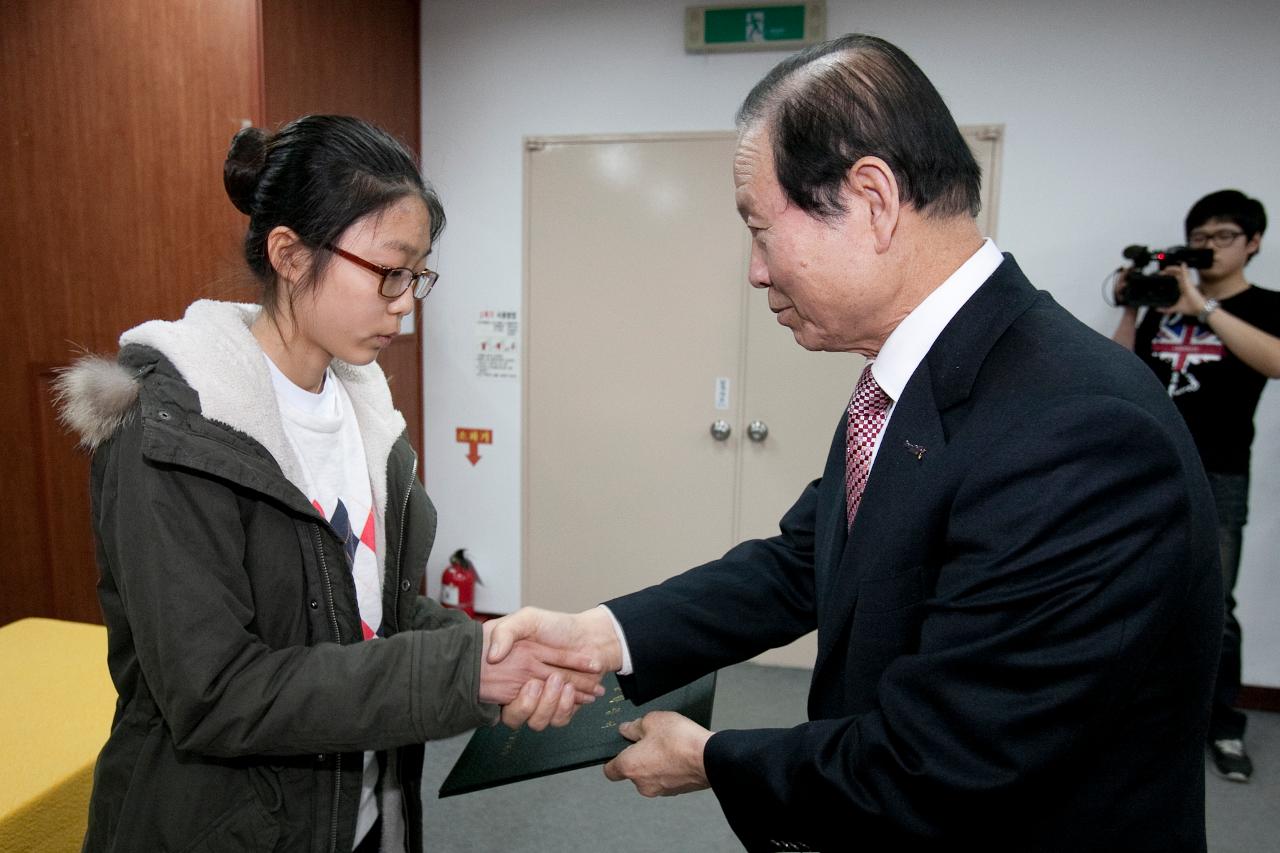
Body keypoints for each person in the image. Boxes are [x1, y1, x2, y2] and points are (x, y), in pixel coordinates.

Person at [488, 34, 1223, 851]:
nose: (756, 272)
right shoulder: (915, 374)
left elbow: (944, 762)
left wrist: (713, 759)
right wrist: (603, 633)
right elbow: (809, 559)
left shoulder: (1078, 429)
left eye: (762, 231)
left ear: (872, 198)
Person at [53, 115, 602, 853]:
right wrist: (461, 671)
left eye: (417, 274)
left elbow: (374, 618)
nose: (405, 301)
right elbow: (218, 693)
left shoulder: (365, 414)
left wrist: (492, 648)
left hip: (363, 812)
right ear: (289, 253)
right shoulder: (174, 432)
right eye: (388, 270)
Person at [1113, 189, 1279, 783]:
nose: (1209, 247)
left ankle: (1223, 727)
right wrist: (1134, 305)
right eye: (1201, 237)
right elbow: (1117, 370)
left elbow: (1276, 360)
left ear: (1253, 242)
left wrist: (1201, 306)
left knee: (1218, 609)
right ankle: (1139, 716)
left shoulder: (1265, 305)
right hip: (1147, 466)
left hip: (1222, 471)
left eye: (1223, 237)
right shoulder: (1164, 304)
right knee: (1133, 591)